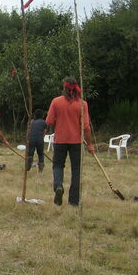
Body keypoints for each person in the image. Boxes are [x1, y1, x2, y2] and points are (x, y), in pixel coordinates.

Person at [46, 77, 94, 206]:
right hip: (76, 141)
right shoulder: (83, 104)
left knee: (57, 165)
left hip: (60, 140)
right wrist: (90, 144)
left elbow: (49, 121)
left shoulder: (56, 101)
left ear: (64, 88)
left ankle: (58, 186)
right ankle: (73, 201)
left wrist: (59, 121)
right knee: (76, 170)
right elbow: (86, 127)